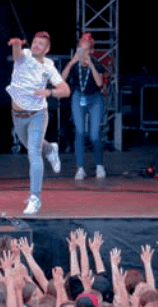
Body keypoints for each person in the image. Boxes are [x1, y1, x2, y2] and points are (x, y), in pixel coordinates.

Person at [6, 33, 70, 214]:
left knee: (33, 153)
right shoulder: (24, 56)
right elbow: (17, 54)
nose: (36, 46)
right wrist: (16, 44)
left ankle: (35, 197)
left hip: (38, 115)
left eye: (41, 44)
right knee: (31, 147)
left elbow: (65, 90)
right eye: (35, 42)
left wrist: (48, 92)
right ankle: (50, 149)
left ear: (47, 49)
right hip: (18, 115)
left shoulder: (49, 66)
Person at [61, 33, 106, 180]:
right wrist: (71, 62)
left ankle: (99, 165)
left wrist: (91, 64)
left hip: (95, 99)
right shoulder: (74, 64)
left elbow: (100, 84)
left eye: (86, 50)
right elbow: (61, 80)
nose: (83, 54)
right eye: (80, 50)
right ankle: (80, 168)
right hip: (78, 97)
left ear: (91, 51)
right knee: (79, 132)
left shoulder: (97, 63)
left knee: (94, 134)